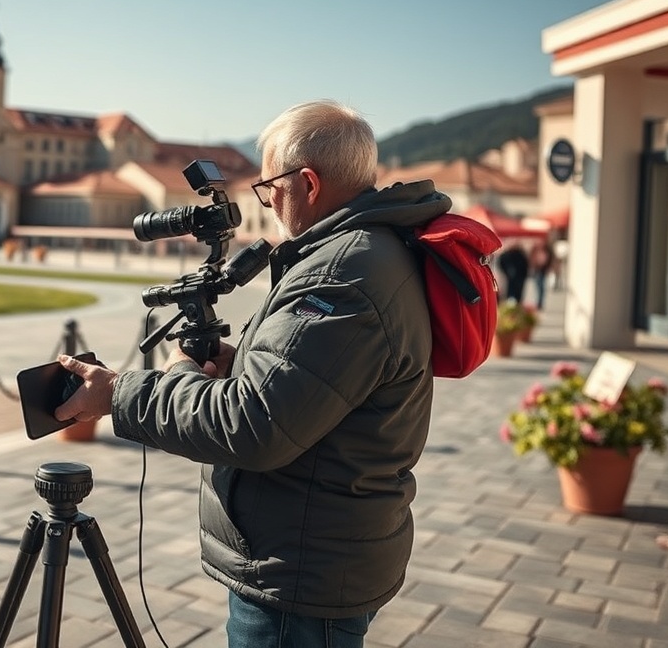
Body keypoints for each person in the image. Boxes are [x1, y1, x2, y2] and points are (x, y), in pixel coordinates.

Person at [55, 99, 451, 648]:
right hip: (319, 549)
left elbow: (254, 425)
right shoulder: (369, 251)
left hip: (297, 573)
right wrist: (241, 365)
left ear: (308, 183)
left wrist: (119, 394)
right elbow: (314, 386)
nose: (266, 201)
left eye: (269, 188)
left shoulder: (340, 274)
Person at [528, 239, 553, 309]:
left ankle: (540, 302)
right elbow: (532, 259)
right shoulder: (535, 249)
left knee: (541, 286)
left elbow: (550, 259)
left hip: (543, 270)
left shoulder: (547, 250)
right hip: (537, 269)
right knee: (538, 286)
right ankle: (538, 302)